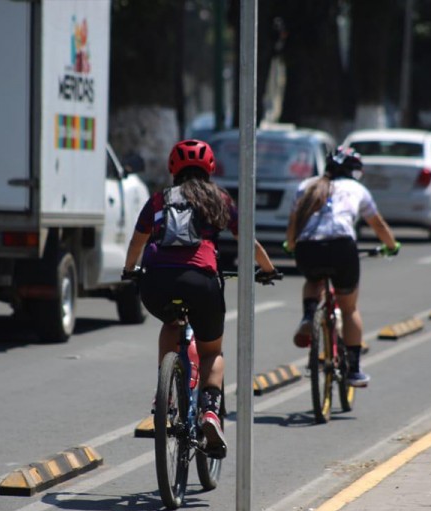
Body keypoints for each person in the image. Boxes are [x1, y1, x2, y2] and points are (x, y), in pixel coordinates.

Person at [123, 139, 278, 458]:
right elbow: (246, 240)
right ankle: (209, 411)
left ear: (172, 168)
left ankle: (164, 399)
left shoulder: (159, 199)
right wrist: (267, 269)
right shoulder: (219, 199)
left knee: (170, 321)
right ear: (210, 168)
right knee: (211, 352)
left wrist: (130, 270)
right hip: (201, 282)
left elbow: (137, 241)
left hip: (157, 282)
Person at [285, 146, 399, 387]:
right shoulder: (356, 189)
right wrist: (392, 245)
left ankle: (308, 314)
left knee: (313, 280)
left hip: (308, 248)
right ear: (354, 172)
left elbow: (294, 222)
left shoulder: (306, 186)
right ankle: (354, 370)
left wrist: (291, 244)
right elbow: (377, 225)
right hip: (341, 247)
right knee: (349, 309)